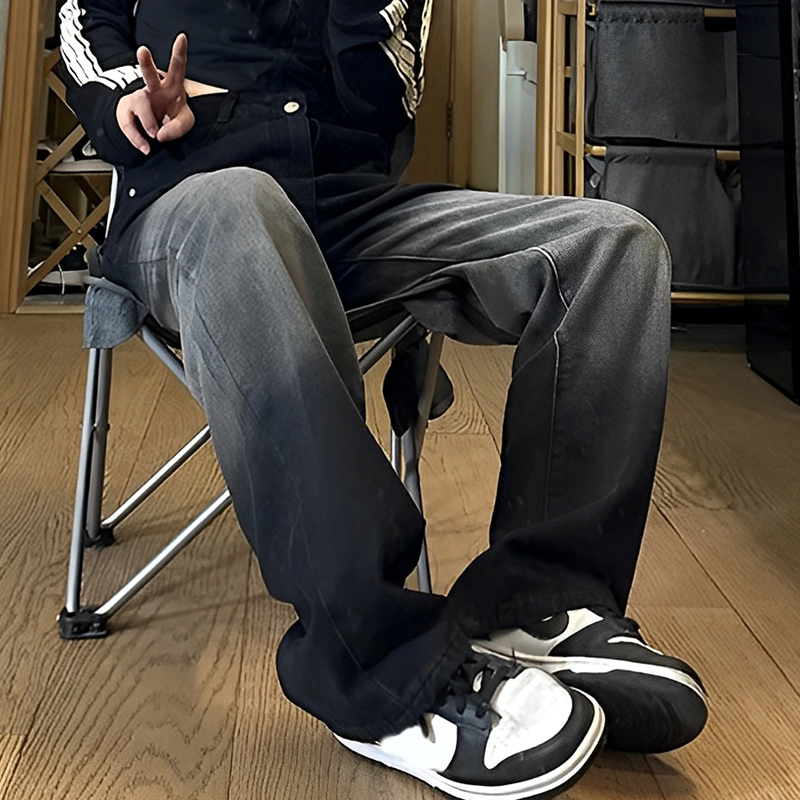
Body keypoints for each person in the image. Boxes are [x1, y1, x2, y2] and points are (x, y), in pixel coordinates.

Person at [59, 1, 708, 797]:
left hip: (348, 213)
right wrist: (129, 97)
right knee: (239, 202)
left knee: (614, 248)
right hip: (188, 202)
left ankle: (541, 602)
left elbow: (386, 103)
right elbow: (83, 22)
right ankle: (379, 666)